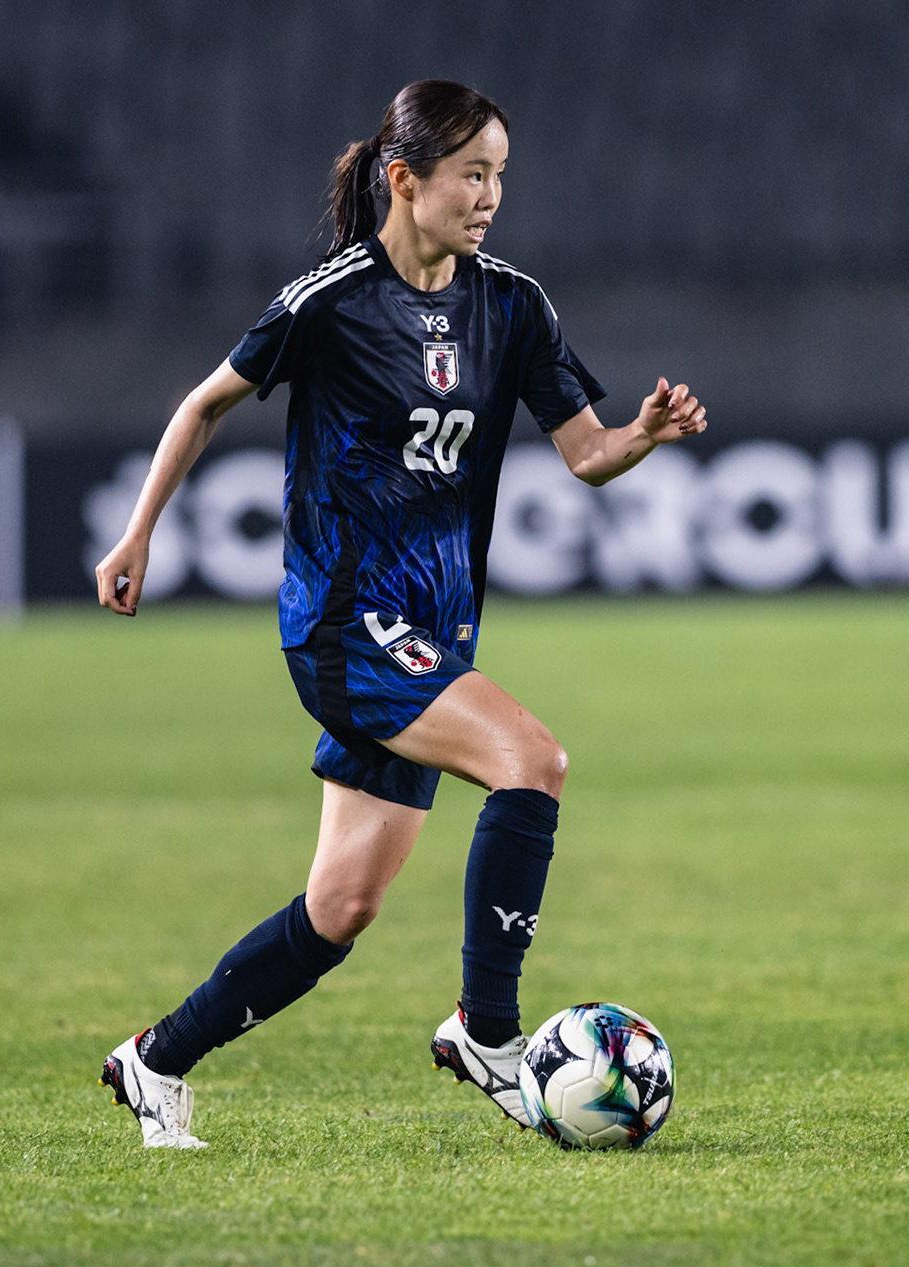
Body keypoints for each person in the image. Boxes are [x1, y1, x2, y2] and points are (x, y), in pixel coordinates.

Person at [92, 79, 707, 1149]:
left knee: (340, 908)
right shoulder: (330, 299)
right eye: (472, 173)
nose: (490, 196)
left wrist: (643, 435)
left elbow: (586, 454)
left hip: (435, 628)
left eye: (500, 175)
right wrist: (139, 531)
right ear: (404, 179)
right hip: (341, 622)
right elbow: (203, 404)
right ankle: (490, 1030)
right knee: (534, 759)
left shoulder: (512, 306)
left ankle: (154, 1060)